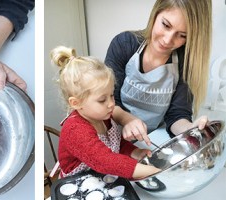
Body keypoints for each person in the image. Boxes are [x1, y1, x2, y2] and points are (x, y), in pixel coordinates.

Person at [105, 0, 211, 146]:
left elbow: (177, 116)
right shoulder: (124, 44)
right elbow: (108, 101)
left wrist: (190, 128)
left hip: (152, 141)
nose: (168, 40)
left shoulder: (183, 63)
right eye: (166, 25)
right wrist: (127, 120)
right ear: (156, 13)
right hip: (112, 139)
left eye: (182, 35)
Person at [51, 46, 160, 180]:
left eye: (111, 95)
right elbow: (106, 160)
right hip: (78, 183)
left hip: (101, 177)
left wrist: (135, 152)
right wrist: (153, 170)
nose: (111, 104)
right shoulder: (75, 130)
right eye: (102, 100)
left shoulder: (103, 116)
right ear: (76, 103)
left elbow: (116, 144)